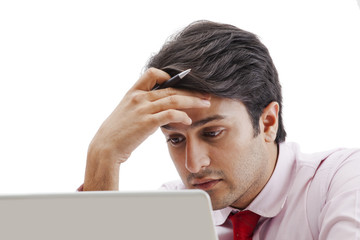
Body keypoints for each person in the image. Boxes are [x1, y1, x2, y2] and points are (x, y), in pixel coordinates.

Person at [81, 20, 360, 239]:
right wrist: (103, 157)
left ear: (267, 123)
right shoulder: (173, 211)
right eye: (175, 139)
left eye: (212, 133)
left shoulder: (342, 181)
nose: (193, 164)